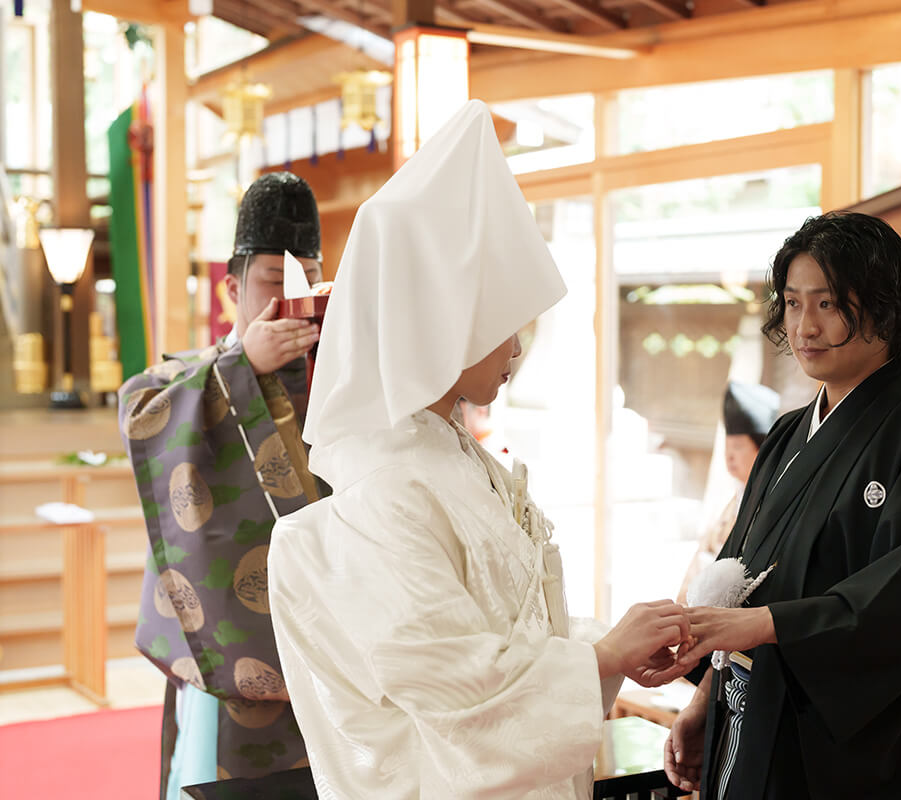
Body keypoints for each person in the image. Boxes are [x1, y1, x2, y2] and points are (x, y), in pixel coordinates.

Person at [267, 100, 689, 799]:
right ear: (439, 327)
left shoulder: (454, 462)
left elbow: (517, 626)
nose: (517, 348)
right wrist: (604, 657)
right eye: (500, 326)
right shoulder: (385, 491)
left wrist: (611, 651)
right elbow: (455, 686)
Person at [664, 212, 901, 799]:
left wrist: (764, 625)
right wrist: (706, 696)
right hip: (745, 718)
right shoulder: (785, 436)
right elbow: (735, 578)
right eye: (792, 302)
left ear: (885, 310)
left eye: (828, 304)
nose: (804, 326)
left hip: (833, 749)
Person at [119, 171, 326, 797]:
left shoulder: (333, 382)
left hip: (328, 629)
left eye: (310, 277)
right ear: (232, 286)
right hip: (228, 633)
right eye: (274, 278)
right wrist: (239, 369)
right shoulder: (187, 375)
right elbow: (140, 412)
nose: (295, 292)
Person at [677, 381, 780, 603]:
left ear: (761, 448)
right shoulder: (734, 497)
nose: (729, 456)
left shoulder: (773, 498)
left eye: (738, 447)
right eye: (727, 447)